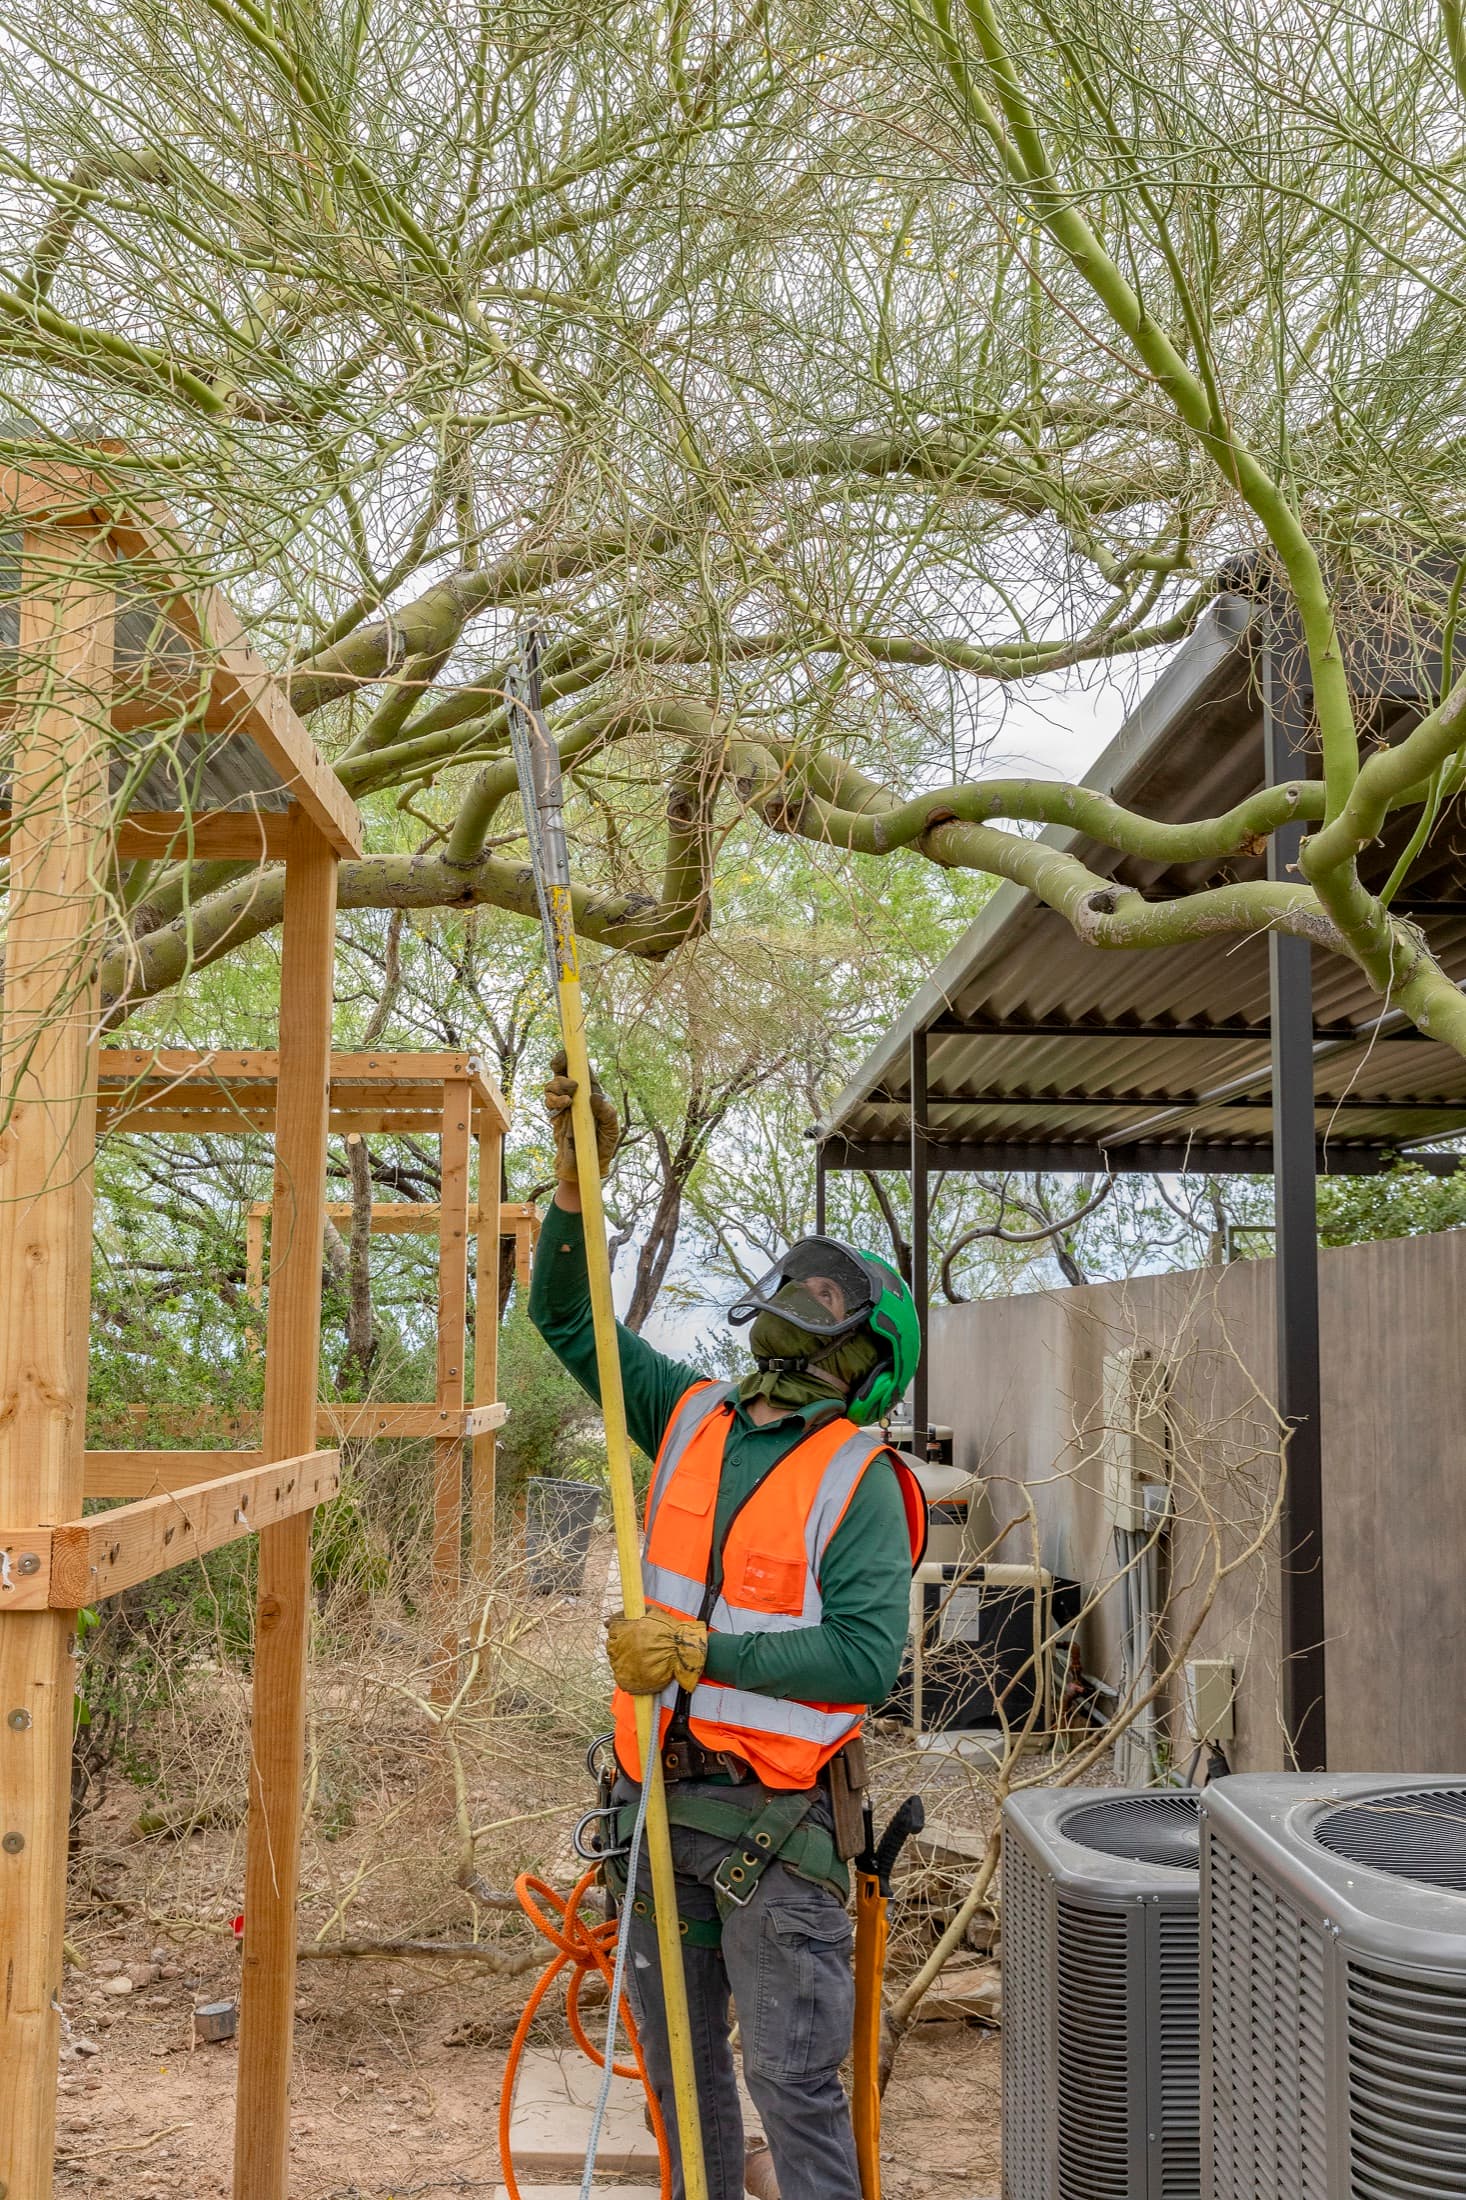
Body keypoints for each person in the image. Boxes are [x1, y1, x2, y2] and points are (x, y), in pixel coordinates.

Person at [530, 1052, 926, 2200]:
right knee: (682, 2079)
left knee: (797, 2091)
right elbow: (564, 1316)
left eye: (826, 1305)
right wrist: (573, 1185)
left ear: (863, 1356)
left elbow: (862, 1658)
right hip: (653, 1807)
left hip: (777, 1836)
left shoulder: (859, 1479)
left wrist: (701, 1652)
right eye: (795, 1290)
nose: (797, 1311)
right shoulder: (691, 1413)